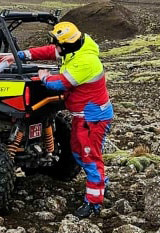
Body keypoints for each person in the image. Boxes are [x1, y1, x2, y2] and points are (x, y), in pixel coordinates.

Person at [17, 22, 113, 218]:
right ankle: (99, 182)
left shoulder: (86, 61)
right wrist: (25, 54)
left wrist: (44, 77)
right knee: (79, 152)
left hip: (92, 118)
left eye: (58, 44)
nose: (56, 48)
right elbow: (51, 51)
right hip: (84, 117)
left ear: (67, 45)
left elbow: (61, 83)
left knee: (90, 157)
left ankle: (93, 203)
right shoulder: (76, 48)